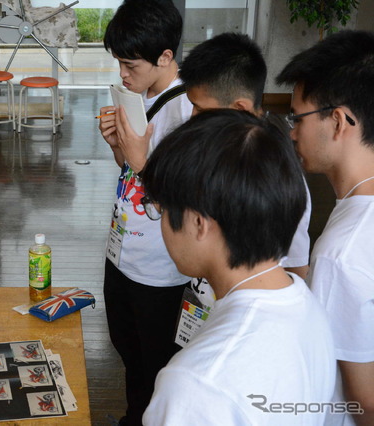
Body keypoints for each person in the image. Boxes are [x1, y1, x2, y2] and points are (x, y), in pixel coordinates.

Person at [140, 109, 336, 425]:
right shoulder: (308, 308)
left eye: (161, 209)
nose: (161, 223)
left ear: (198, 222)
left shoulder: (196, 385)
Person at [97, 1, 192, 424]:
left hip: (161, 268)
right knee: (127, 350)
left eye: (130, 64)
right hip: (123, 252)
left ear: (166, 57)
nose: (122, 73)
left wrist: (139, 160)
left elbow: (185, 201)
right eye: (118, 62)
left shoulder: (188, 111)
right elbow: (130, 171)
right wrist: (117, 145)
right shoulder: (138, 95)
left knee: (156, 364)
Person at [276, 30, 374, 425]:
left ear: (338, 121)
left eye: (297, 118)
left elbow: (365, 401)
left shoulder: (342, 252)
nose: (292, 131)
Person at [177, 32, 311, 314]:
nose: (192, 118)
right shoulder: (210, 148)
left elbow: (297, 267)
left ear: (240, 108)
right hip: (201, 310)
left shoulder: (277, 174)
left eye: (200, 108)